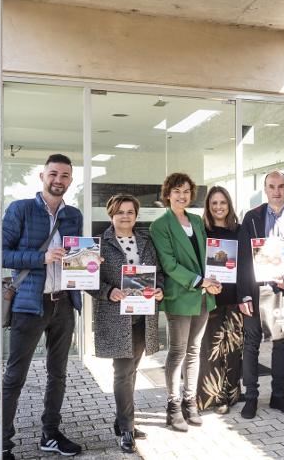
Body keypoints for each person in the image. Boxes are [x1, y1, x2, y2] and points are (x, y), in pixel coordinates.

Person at [2, 154, 83, 459]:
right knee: (15, 376)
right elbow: (1, 253)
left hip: (62, 303)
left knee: (58, 374)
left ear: (70, 180)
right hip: (29, 305)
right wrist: (42, 257)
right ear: (42, 176)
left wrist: (89, 263)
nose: (58, 180)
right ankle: (3, 442)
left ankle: (50, 433)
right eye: (53, 174)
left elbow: (77, 257)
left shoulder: (73, 215)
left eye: (64, 175)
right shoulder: (20, 209)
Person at [87, 194, 164, 453]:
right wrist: (108, 291)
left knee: (132, 372)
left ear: (136, 215)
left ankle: (123, 422)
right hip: (116, 318)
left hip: (142, 316)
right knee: (122, 374)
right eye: (120, 211)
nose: (125, 216)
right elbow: (86, 279)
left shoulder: (145, 241)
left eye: (130, 212)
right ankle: (127, 429)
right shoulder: (99, 245)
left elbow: (158, 274)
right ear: (111, 214)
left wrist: (159, 290)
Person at [236, 171, 284, 419]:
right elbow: (243, 260)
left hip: (283, 291)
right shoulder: (252, 218)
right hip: (256, 291)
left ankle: (278, 395)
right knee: (251, 343)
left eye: (281, 186)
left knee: (281, 343)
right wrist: (243, 296)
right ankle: (251, 397)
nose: (276, 191)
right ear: (265, 190)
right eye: (271, 186)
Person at [150, 173, 221, 432]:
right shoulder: (160, 225)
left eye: (187, 191)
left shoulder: (196, 221)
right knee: (177, 352)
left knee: (194, 350)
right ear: (168, 194)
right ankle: (172, 405)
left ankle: (190, 401)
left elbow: (207, 258)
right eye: (177, 191)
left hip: (203, 296)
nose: (182, 195)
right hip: (180, 295)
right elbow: (169, 265)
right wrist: (200, 281)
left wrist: (213, 279)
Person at [196, 186, 243, 414]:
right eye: (214, 203)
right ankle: (211, 396)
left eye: (222, 202)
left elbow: (247, 266)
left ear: (229, 204)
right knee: (211, 348)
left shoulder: (240, 231)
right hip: (211, 298)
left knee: (233, 348)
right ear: (208, 206)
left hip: (235, 298)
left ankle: (230, 393)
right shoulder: (202, 231)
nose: (218, 207)